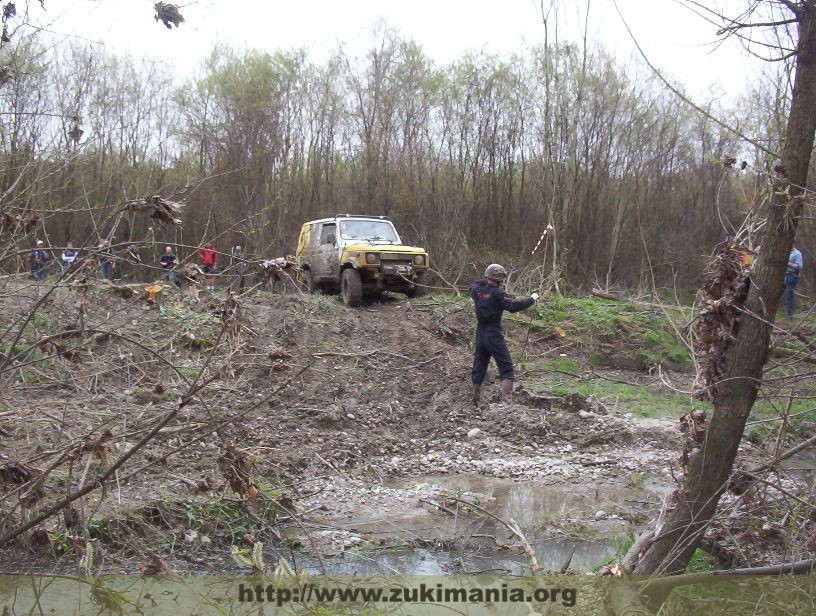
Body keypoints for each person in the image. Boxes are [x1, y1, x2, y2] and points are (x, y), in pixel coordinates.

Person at [470, 263, 539, 407]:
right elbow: (513, 306)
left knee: (479, 365)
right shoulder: (498, 294)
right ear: (500, 280)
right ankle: (507, 404)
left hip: (480, 333)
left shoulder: (476, 290)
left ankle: (475, 400)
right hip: (493, 333)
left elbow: (476, 284)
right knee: (506, 366)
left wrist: (487, 281)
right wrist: (532, 299)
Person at [785, 243, 804, 317]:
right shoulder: (784, 252)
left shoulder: (797, 254)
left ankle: (790, 314)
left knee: (790, 294)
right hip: (784, 275)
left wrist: (789, 264)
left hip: (792, 275)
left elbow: (799, 266)